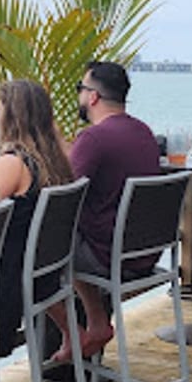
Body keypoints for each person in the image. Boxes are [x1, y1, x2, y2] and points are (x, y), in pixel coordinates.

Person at [48, 61, 161, 363]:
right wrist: (59, 140)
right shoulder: (143, 132)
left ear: (93, 96)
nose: (79, 96)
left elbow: (65, 193)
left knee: (35, 252)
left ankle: (72, 332)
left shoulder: (95, 138)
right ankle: (97, 322)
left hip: (108, 257)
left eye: (80, 89)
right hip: (145, 254)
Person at [0, 79, 73, 361]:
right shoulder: (57, 158)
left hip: (10, 278)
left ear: (10, 119)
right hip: (43, 271)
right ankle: (73, 333)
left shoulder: (14, 163)